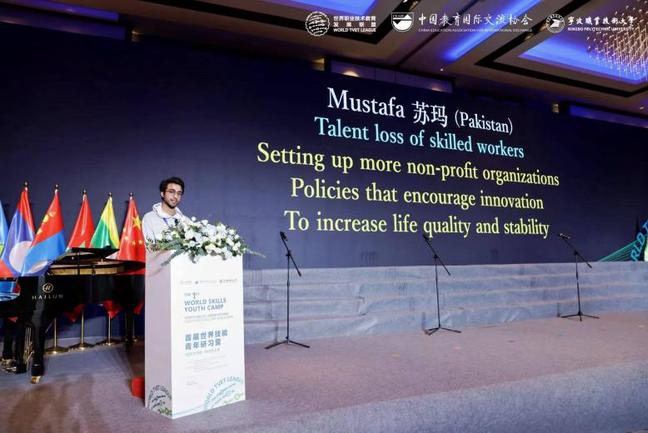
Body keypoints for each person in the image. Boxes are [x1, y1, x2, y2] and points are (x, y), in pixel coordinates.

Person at [142, 176, 190, 243]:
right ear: (162, 194)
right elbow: (148, 247)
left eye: (179, 193)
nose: (175, 196)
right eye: (171, 192)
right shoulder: (149, 218)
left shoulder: (186, 221)